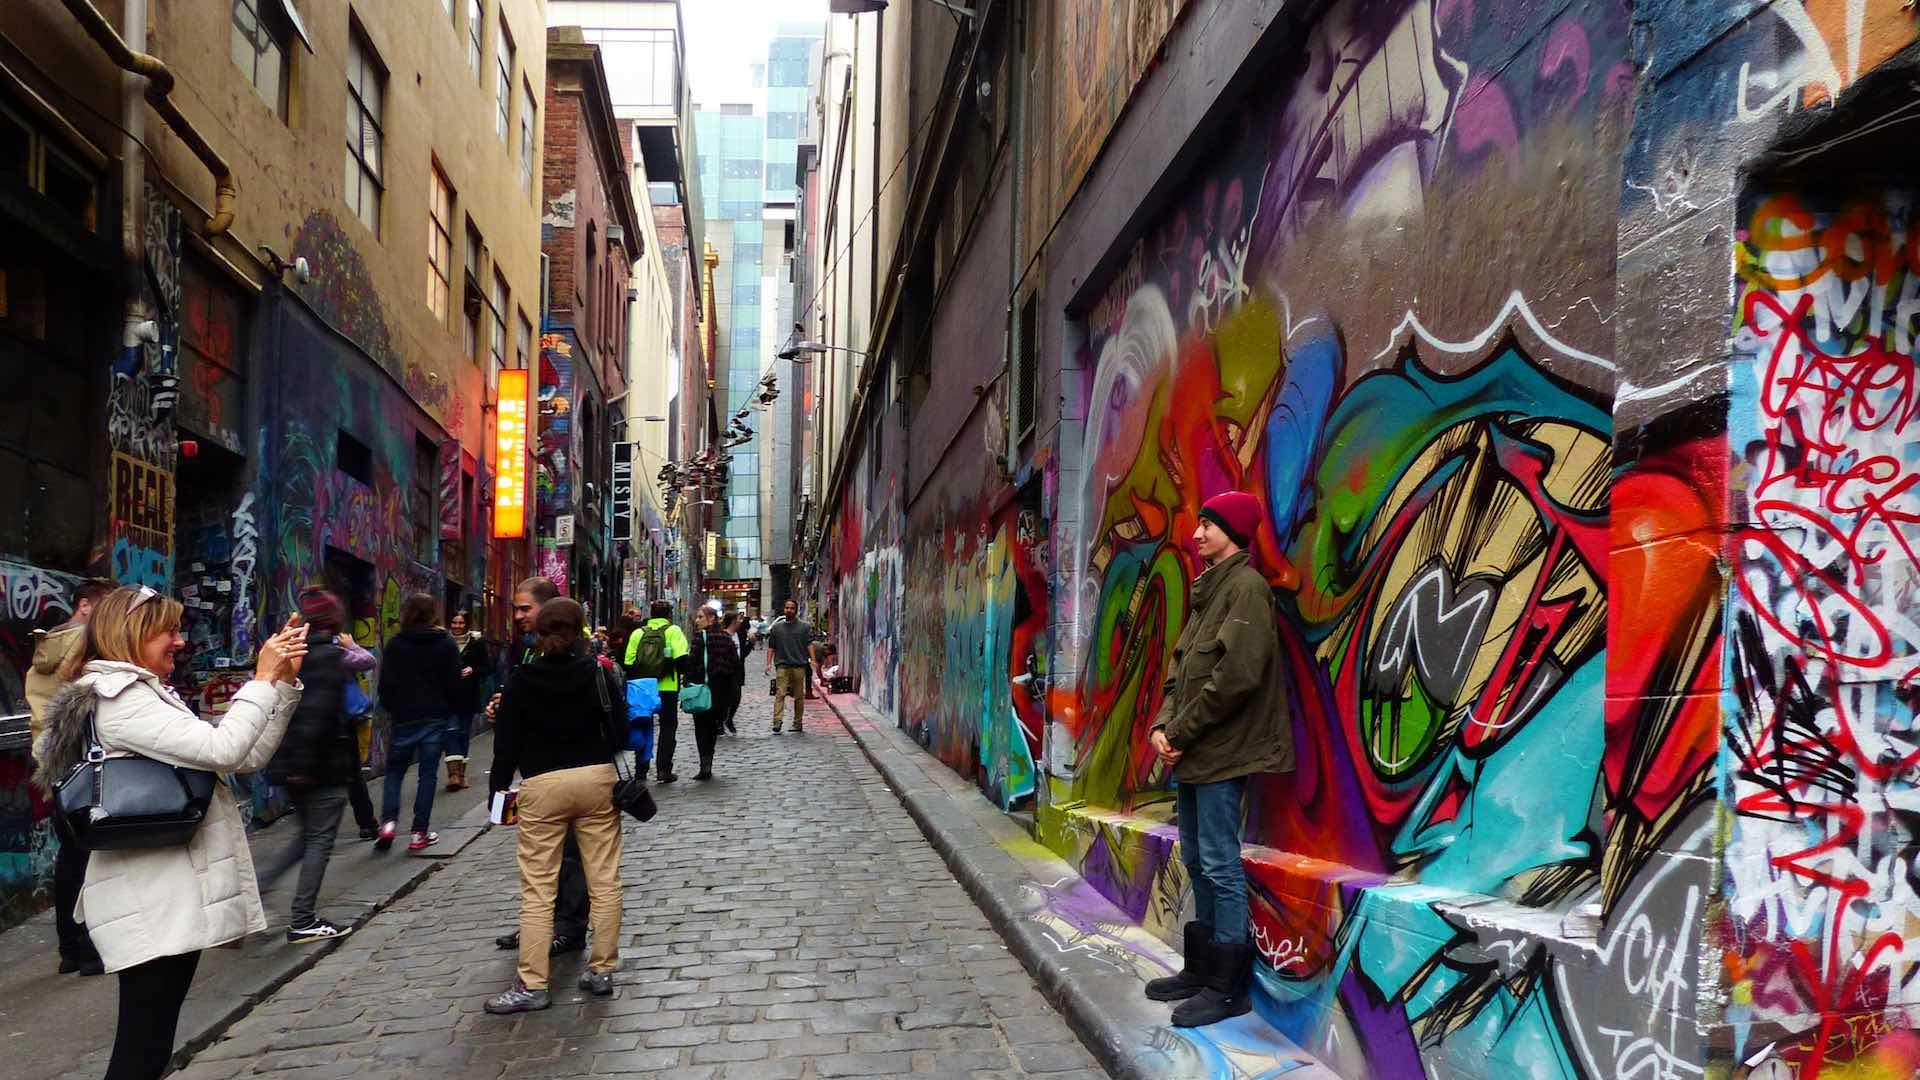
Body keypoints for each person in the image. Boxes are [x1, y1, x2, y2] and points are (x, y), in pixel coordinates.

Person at [33, 586, 306, 1080]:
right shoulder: (122, 700)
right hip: (151, 898)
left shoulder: (145, 695)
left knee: (151, 1044)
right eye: (170, 631)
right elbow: (225, 749)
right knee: (141, 1049)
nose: (180, 642)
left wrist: (282, 686)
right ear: (133, 634)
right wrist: (262, 679)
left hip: (165, 892)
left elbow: (244, 757)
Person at [1144, 491, 1293, 1028]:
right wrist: (1162, 725)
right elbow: (1180, 670)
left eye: (1208, 525)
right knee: (1196, 857)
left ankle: (1228, 988)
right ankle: (1202, 969)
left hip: (1222, 753)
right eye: (1199, 524)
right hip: (1193, 750)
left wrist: (1179, 729)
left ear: (1233, 531)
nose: (1197, 533)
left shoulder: (1247, 590)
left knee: (1220, 864)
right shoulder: (1212, 592)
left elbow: (1237, 677)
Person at [485, 597, 624, 1014]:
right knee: (604, 880)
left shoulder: (522, 679)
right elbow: (620, 733)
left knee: (539, 888)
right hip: (596, 781)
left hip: (542, 786)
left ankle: (533, 983)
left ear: (539, 634)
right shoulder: (597, 674)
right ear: (581, 630)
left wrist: (497, 796)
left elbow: (505, 746)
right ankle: (601, 970)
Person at [491, 577, 591, 958]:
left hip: (568, 773)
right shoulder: (531, 652)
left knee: (569, 856)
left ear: (548, 610)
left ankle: (568, 927)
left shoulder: (575, 656)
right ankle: (540, 924)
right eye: (516, 608)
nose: (517, 616)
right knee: (543, 859)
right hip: (540, 773)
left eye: (524, 608)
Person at [258, 589, 360, 942]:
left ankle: (255, 895)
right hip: (320, 766)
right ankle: (303, 919)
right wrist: (304, 766)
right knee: (319, 840)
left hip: (293, 762)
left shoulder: (294, 654)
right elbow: (315, 715)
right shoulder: (329, 658)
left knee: (304, 838)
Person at [25, 576, 115, 976]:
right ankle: (88, 948)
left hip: (52, 760)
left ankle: (69, 947)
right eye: (107, 608)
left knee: (70, 855)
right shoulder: (81, 645)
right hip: (82, 760)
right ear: (84, 605)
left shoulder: (48, 645)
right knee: (90, 854)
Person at [374, 593, 460, 853]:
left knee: (394, 773)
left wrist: (393, 709)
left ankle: (388, 823)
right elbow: (454, 682)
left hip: (404, 717)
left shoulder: (396, 644)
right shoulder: (445, 643)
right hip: (434, 716)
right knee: (427, 775)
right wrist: (448, 709)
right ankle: (418, 833)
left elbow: (385, 684)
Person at [625, 599, 689, 781]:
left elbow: (628, 662)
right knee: (668, 728)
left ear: (650, 614)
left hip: (643, 688)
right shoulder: (673, 631)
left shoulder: (638, 633)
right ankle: (663, 769)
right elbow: (682, 659)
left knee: (643, 725)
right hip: (667, 687)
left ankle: (641, 769)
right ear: (669, 614)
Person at [680, 607, 741, 780]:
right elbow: (735, 664)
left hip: (702, 689)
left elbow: (692, 663)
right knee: (713, 727)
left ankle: (704, 764)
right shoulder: (726, 638)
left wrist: (688, 680)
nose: (697, 620)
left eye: (700, 617)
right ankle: (708, 762)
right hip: (722, 691)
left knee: (701, 727)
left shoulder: (700, 637)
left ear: (711, 619)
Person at [445, 610, 492, 792]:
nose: (457, 626)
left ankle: (461, 775)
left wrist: (473, 669)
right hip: (448, 696)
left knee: (463, 733)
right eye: (454, 623)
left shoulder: (476, 643)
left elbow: (487, 667)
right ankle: (453, 775)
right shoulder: (445, 642)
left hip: (467, 695)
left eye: (460, 623)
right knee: (451, 732)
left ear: (467, 625)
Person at [764, 599, 814, 734]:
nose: (789, 610)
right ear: (783, 609)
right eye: (787, 608)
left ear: (796, 610)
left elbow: (809, 644)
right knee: (780, 694)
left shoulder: (804, 627)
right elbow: (771, 647)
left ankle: (798, 723)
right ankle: (777, 722)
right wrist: (768, 663)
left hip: (799, 666)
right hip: (782, 666)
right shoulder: (777, 628)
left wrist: (813, 660)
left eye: (792, 608)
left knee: (798, 696)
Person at [723, 612, 752, 735]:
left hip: (738, 670)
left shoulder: (740, 634)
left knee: (736, 697)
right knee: (724, 698)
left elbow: (743, 653)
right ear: (733, 621)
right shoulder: (722, 635)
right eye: (738, 620)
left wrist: (751, 643)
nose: (740, 622)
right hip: (725, 670)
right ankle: (720, 722)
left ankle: (729, 719)